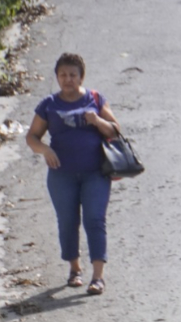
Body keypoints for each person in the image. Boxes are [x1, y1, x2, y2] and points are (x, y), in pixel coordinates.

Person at [25, 53, 121, 296]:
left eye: (73, 75)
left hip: (96, 173)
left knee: (94, 220)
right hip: (61, 175)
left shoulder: (95, 99)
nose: (68, 80)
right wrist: (44, 149)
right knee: (67, 222)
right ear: (57, 77)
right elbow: (31, 136)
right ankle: (75, 269)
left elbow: (115, 131)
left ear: (81, 76)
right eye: (63, 75)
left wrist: (97, 120)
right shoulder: (49, 105)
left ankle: (98, 277)